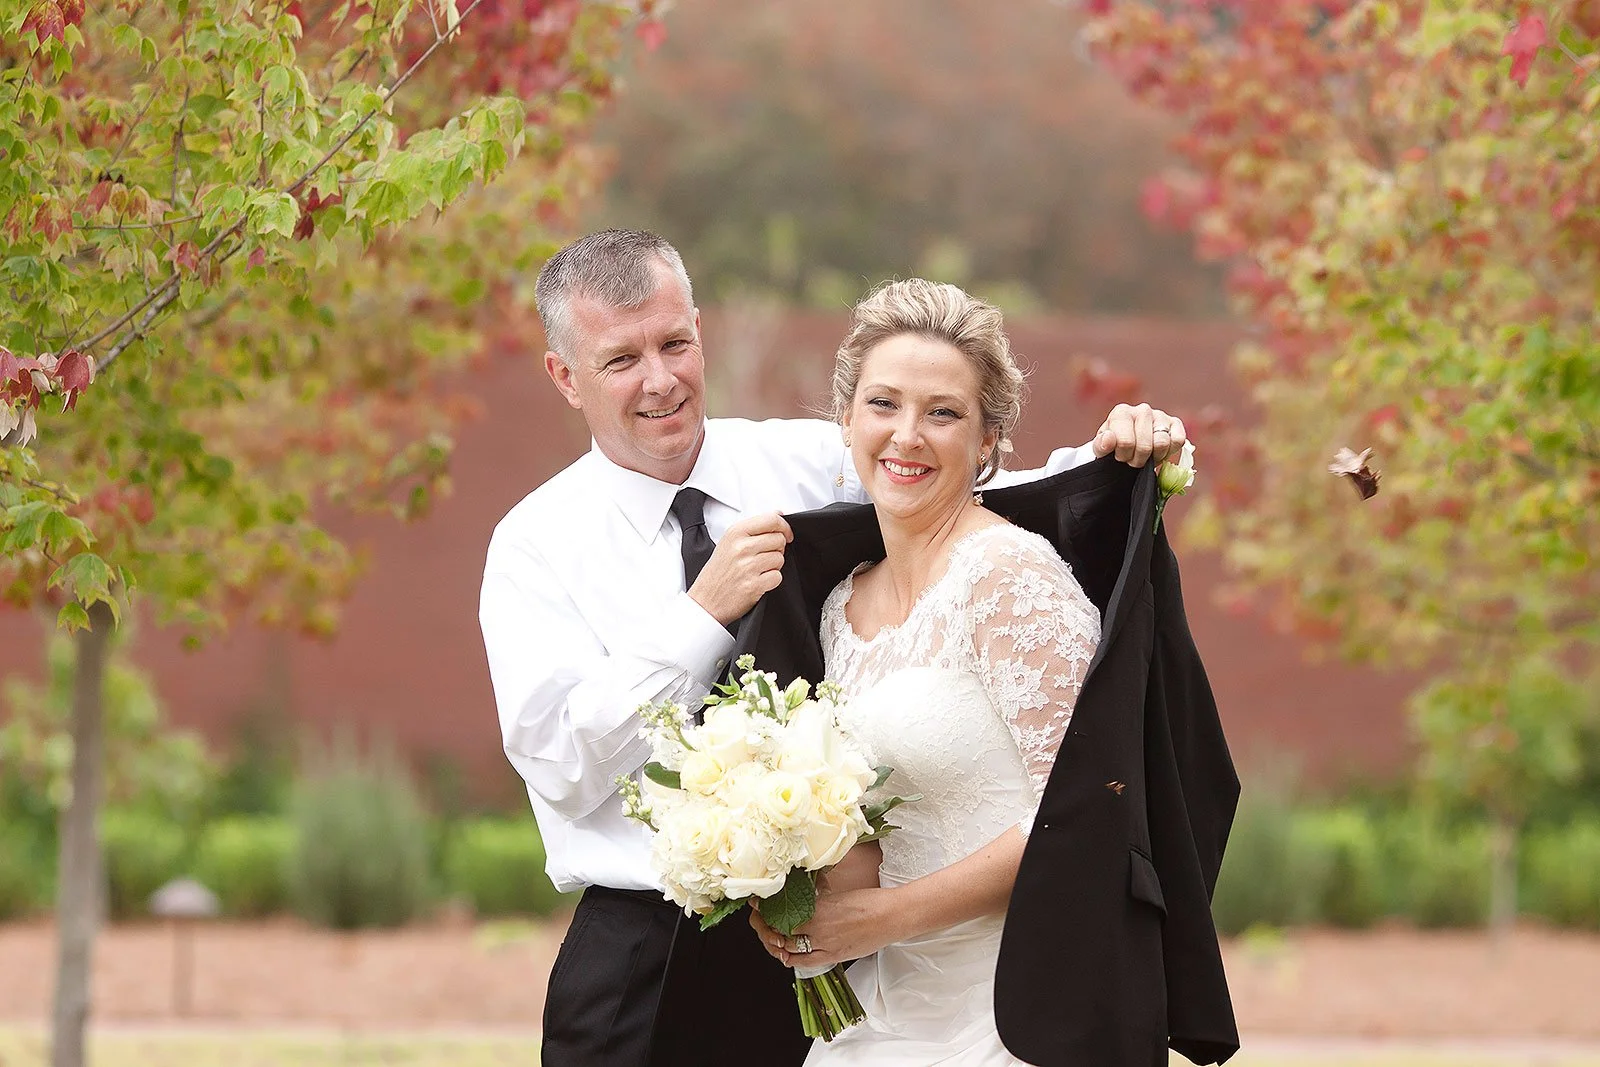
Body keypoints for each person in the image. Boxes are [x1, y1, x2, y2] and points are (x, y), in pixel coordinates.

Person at [477, 229, 1191, 1067]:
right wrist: (698, 620)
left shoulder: (817, 461)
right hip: (645, 956)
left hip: (831, 956)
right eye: (621, 359)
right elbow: (558, 762)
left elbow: (964, 487)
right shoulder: (534, 545)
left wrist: (1119, 463)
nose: (661, 379)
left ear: (700, 330)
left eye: (675, 342)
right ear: (566, 375)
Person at [746, 277, 1099, 1064]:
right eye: (883, 404)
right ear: (845, 420)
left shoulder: (1010, 575)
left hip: (1011, 1010)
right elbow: (868, 826)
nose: (907, 435)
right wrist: (770, 876)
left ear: (987, 443)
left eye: (942, 412)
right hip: (882, 1015)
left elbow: (1076, 813)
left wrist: (881, 917)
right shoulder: (838, 606)